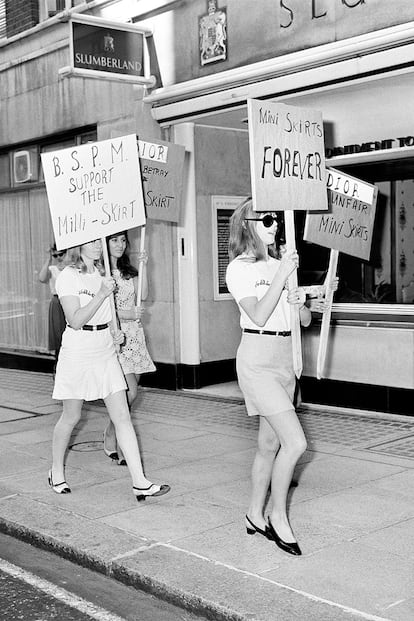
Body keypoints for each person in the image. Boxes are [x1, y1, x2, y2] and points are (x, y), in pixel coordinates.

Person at [226, 198, 333, 556]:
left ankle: (254, 514)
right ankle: (277, 515)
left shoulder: (281, 263)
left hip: (286, 358)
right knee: (296, 444)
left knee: (268, 445)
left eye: (275, 219)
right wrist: (284, 275)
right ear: (247, 224)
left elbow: (301, 321)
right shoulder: (239, 268)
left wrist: (304, 301)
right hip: (257, 359)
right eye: (266, 219)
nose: (274, 225)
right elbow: (257, 314)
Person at [49, 238, 170, 502]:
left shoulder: (104, 274)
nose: (96, 246)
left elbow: (110, 314)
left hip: (105, 350)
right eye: (90, 242)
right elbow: (76, 320)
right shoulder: (68, 276)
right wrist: (103, 293)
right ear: (77, 245)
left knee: (123, 416)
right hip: (78, 350)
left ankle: (140, 482)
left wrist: (115, 334)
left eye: (98, 241)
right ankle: (56, 470)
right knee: (71, 416)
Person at [103, 231, 156, 466]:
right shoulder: (102, 274)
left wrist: (144, 266)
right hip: (117, 336)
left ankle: (112, 432)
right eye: (114, 240)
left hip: (135, 336)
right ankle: (119, 441)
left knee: (129, 394)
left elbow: (142, 295)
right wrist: (126, 314)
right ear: (105, 243)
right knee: (130, 392)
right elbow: (104, 309)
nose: (120, 244)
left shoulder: (128, 272)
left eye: (123, 240)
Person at [38, 243, 67, 366]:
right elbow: (41, 278)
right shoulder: (52, 269)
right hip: (57, 302)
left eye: (61, 254)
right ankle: (58, 366)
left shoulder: (71, 268)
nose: (59, 257)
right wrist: (49, 258)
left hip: (70, 302)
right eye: (56, 255)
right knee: (58, 335)